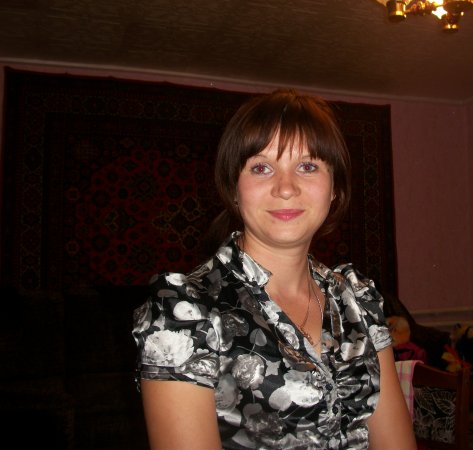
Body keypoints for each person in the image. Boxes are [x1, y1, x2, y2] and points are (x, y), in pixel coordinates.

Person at [132, 89, 417, 449]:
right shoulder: (184, 312)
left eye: (308, 166)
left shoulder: (359, 301)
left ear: (334, 188)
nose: (285, 188)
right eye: (262, 167)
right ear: (234, 189)